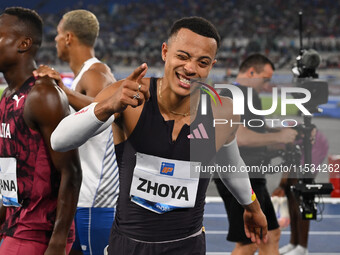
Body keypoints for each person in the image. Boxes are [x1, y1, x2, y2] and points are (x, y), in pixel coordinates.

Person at [36, 17, 268, 255]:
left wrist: (252, 207)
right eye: (183, 56)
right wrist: (107, 106)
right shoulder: (128, 95)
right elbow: (60, 140)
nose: (190, 68)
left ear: (212, 65)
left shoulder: (223, 110)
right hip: (128, 247)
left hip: (187, 247)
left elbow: (231, 164)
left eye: (203, 62)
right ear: (165, 52)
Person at [36, 9, 119, 255]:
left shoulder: (96, 72)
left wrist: (64, 91)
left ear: (69, 38)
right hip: (83, 199)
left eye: (58, 35)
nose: (56, 41)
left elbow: (106, 111)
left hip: (95, 202)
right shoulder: (83, 74)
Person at [0, 7, 82, 255]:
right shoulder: (8, 96)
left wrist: (57, 242)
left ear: (23, 44)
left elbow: (71, 171)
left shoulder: (43, 95)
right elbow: (11, 176)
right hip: (15, 226)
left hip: (37, 234)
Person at [214, 53, 298, 255]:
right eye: (265, 79)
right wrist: (280, 138)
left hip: (250, 173)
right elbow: (241, 138)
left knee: (271, 235)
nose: (267, 85)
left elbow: (253, 135)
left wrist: (282, 139)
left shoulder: (241, 94)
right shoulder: (237, 95)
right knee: (249, 242)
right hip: (241, 176)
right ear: (252, 72)